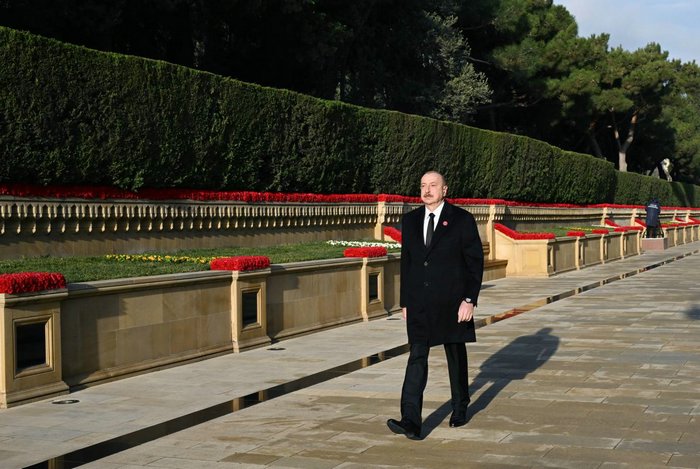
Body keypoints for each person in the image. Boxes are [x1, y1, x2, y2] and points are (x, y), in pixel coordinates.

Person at [387, 170, 484, 440]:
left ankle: (460, 405)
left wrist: (469, 299)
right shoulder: (410, 220)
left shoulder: (461, 220)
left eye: (433, 185)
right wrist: (405, 301)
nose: (427, 190)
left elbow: (475, 262)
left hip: (453, 302)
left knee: (455, 353)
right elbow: (407, 263)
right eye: (423, 186)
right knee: (417, 356)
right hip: (419, 303)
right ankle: (410, 420)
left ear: (444, 190)